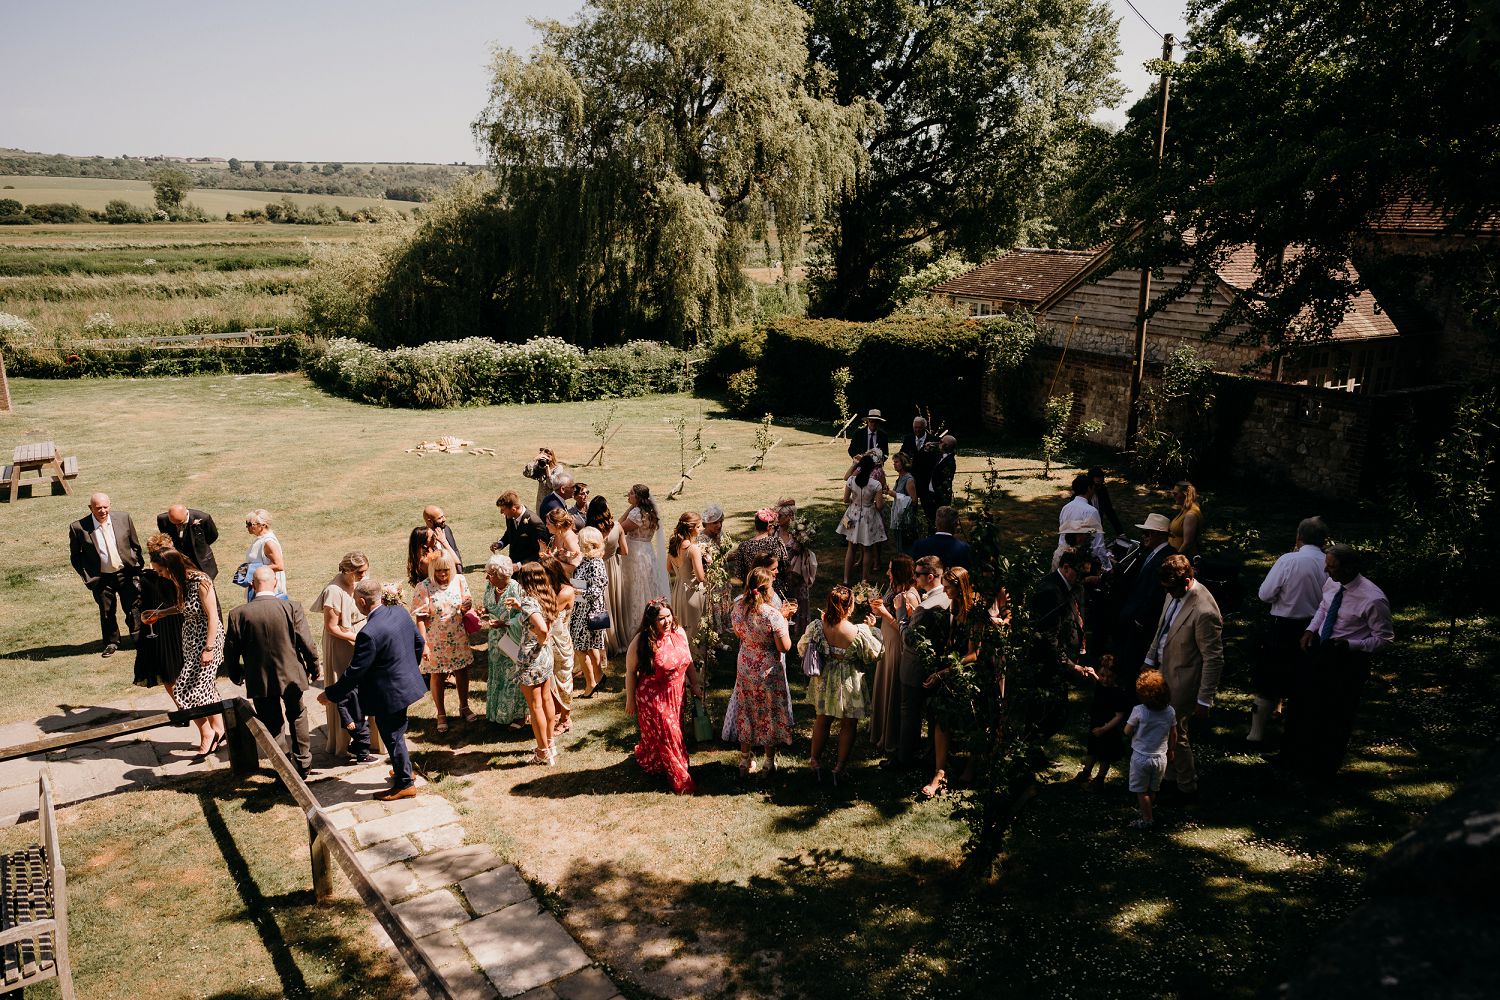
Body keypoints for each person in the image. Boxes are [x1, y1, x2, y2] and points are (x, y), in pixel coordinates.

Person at [1286, 544, 1394, 777]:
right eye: (1327, 565)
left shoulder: (1373, 599)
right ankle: (1295, 758)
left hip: (1348, 662)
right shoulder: (1333, 582)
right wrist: (1310, 629)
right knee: (1304, 704)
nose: (1327, 571)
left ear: (1350, 568)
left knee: (1336, 716)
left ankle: (1324, 770)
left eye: (1332, 567)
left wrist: (1352, 645)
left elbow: (1384, 639)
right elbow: (1324, 607)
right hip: (1322, 650)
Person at [319, 579, 428, 800]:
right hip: (406, 684)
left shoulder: (368, 633)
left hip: (389, 694)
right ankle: (402, 769)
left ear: (361, 601)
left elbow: (355, 672)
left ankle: (405, 783)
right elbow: (418, 643)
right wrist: (408, 670)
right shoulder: (398, 612)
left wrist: (330, 694)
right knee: (397, 731)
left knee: (392, 735)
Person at [224, 566, 320, 778]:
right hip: (291, 675)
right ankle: (304, 763)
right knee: (298, 715)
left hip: (260, 678)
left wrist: (235, 673)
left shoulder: (238, 614)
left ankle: (284, 767)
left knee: (272, 723)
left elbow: (230, 651)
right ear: (275, 582)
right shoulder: (291, 607)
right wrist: (314, 667)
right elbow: (306, 642)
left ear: (252, 585)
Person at [1142, 554, 1224, 801]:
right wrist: (1148, 662)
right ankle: (1170, 778)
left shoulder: (1204, 611)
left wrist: (1204, 699)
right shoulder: (1173, 592)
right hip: (1163, 670)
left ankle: (1187, 787)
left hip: (1184, 679)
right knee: (1164, 730)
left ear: (1188, 581)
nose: (1168, 593)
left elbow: (1214, 659)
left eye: (1172, 588)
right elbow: (1162, 629)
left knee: (1176, 734)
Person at [1249, 516, 1330, 744]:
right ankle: (1293, 732)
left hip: (1282, 626)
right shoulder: (1329, 563)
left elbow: (1265, 594)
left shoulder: (1289, 560)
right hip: (1314, 627)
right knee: (1301, 678)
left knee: (1268, 678)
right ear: (1324, 540)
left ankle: (1256, 733)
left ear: (1298, 537)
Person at [144, 547, 225, 756]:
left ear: (171, 567)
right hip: (190, 641)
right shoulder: (182, 581)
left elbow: (213, 617)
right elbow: (185, 607)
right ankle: (221, 729)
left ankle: (209, 732)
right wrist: (161, 613)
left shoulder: (201, 581)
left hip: (206, 639)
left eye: (160, 571)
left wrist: (208, 648)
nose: (160, 575)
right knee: (206, 687)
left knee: (184, 690)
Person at [800, 585, 883, 785]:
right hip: (849, 682)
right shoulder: (858, 631)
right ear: (851, 606)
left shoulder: (817, 626)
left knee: (822, 720)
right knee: (848, 724)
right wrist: (873, 629)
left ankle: (815, 763)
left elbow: (802, 647)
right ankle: (839, 768)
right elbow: (874, 654)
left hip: (825, 679)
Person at [625, 600, 704, 794]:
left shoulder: (679, 633)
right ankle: (680, 777)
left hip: (677, 695)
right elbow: (630, 671)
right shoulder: (642, 640)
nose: (667, 621)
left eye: (669, 616)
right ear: (651, 621)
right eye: (661, 618)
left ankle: (655, 760)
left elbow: (689, 661)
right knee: (670, 736)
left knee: (670, 733)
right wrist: (630, 699)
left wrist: (694, 684)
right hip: (654, 698)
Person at [311, 551, 380, 761]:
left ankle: (371, 739)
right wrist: (357, 638)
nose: (363, 576)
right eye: (360, 572)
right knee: (346, 689)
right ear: (347, 570)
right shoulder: (333, 591)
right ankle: (345, 741)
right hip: (341, 644)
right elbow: (331, 627)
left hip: (362, 635)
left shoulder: (361, 581)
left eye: (365, 571)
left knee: (370, 685)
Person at [918, 566, 980, 798]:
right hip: (950, 668)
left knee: (974, 720)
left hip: (969, 671)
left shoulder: (974, 612)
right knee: (941, 716)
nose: (944, 590)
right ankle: (939, 772)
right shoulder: (952, 606)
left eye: (948, 586)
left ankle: (972, 764)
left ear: (960, 586)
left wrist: (944, 672)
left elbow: (974, 654)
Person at [730, 567, 797, 776]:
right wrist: (784, 620)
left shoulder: (737, 607)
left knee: (746, 709)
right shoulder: (772, 615)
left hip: (745, 664)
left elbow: (738, 633)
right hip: (767, 669)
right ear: (767, 590)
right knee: (769, 711)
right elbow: (784, 647)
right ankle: (768, 761)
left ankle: (744, 760)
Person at [1031, 548, 1100, 738]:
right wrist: (1071, 666)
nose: (1084, 578)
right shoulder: (1051, 592)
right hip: (1047, 663)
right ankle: (1033, 751)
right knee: (1052, 713)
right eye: (1081, 573)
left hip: (1059, 660)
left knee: (1056, 713)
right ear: (1066, 567)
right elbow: (1048, 637)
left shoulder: (1070, 586)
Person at [69, 492, 143, 657]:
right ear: (91, 508)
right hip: (101, 577)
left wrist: (137, 567)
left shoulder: (124, 518)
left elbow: (135, 544)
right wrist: (88, 576)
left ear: (109, 505)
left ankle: (138, 637)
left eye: (105, 507)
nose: (102, 511)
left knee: (133, 607)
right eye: (98, 508)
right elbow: (75, 556)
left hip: (125, 573)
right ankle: (112, 642)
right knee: (107, 611)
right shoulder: (79, 527)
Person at [897, 555, 952, 768]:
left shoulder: (926, 607)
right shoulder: (947, 598)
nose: (914, 578)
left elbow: (908, 638)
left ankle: (904, 759)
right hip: (938, 666)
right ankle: (930, 756)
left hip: (915, 667)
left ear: (930, 577)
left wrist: (901, 612)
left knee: (909, 714)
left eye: (918, 575)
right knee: (933, 716)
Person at [411, 553, 474, 732]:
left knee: (461, 670)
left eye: (446, 570)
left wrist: (466, 607)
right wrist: (423, 644)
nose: (442, 574)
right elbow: (421, 619)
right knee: (437, 675)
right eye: (438, 571)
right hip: (435, 639)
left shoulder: (460, 580)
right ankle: (441, 714)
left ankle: (464, 706)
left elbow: (466, 603)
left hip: (457, 635)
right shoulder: (424, 587)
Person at [1114, 513, 1177, 689]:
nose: (1144, 537)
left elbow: (1155, 595)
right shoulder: (1150, 553)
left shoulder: (1166, 558)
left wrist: (1140, 620)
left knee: (1135, 663)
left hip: (1142, 623)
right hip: (1132, 616)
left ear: (1158, 534)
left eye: (1147, 533)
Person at [507, 562, 560, 765]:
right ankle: (551, 743)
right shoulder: (546, 597)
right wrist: (520, 606)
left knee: (534, 705)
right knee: (546, 700)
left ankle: (542, 751)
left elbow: (541, 628)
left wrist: (540, 638)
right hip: (545, 656)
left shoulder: (530, 601)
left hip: (531, 659)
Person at [868, 554, 917, 752]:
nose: (887, 572)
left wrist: (885, 615)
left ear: (899, 572)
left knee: (892, 686)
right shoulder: (893, 587)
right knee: (883, 682)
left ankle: (891, 736)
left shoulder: (910, 596)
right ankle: (880, 729)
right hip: (886, 640)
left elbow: (907, 630)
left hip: (897, 643)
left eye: (890, 569)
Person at [1123, 670, 1178, 830]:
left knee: (1141, 790)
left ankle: (1147, 819)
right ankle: (1147, 809)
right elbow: (1174, 733)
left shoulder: (1139, 710)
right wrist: (1171, 750)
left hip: (1141, 757)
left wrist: (1131, 730)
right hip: (1160, 758)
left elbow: (1127, 730)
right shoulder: (1170, 711)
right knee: (1153, 788)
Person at [618, 484, 670, 644]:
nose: (628, 494)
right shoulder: (650, 511)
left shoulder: (636, 513)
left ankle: (638, 628)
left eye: (632, 493)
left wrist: (631, 508)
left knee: (636, 586)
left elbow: (619, 527)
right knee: (647, 585)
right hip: (647, 550)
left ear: (638, 498)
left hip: (635, 553)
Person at [134, 533, 185, 695]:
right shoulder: (149, 576)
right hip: (160, 623)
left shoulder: (180, 571)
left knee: (171, 669)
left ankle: (184, 708)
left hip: (172, 622)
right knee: (168, 670)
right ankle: (184, 709)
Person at [1072, 654, 1132, 791]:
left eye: (1109, 677)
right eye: (1102, 675)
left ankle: (1100, 779)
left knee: (1105, 755)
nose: (1105, 679)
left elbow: (1119, 716)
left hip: (1107, 729)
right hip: (1096, 723)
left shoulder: (1117, 693)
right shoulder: (1102, 684)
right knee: (1092, 749)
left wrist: (1104, 729)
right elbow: (1101, 681)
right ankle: (1086, 772)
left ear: (1116, 676)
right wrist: (1093, 674)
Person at [480, 554, 528, 727]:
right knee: (497, 675)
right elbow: (488, 605)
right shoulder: (490, 587)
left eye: (490, 574)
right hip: (494, 641)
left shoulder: (516, 589)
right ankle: (498, 713)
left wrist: (505, 623)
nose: (487, 577)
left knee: (512, 677)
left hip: (512, 639)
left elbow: (526, 616)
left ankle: (519, 715)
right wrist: (483, 611)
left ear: (501, 575)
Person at [586, 495, 630, 658]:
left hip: (596, 570)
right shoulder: (617, 527)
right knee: (614, 603)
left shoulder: (588, 532)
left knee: (600, 605)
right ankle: (618, 640)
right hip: (613, 568)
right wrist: (612, 551)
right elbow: (625, 551)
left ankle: (603, 643)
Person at [541, 555, 578, 734]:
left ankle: (566, 718)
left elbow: (548, 613)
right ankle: (556, 712)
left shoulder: (566, 591)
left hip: (561, 642)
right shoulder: (547, 589)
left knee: (563, 680)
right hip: (547, 641)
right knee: (550, 679)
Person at [571, 528, 609, 697]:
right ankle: (599, 676)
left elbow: (595, 591)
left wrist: (575, 592)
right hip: (583, 608)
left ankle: (590, 684)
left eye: (580, 541)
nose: (578, 543)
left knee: (581, 648)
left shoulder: (595, 563)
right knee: (591, 645)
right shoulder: (587, 560)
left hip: (589, 611)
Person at [837, 455, 887, 584]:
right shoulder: (876, 484)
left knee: (851, 547)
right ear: (872, 468)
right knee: (867, 548)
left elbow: (845, 500)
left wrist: (854, 502)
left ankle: (846, 579)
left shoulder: (852, 480)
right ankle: (864, 579)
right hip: (868, 515)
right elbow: (880, 506)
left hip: (852, 514)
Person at [774, 498, 817, 640]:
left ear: (790, 517)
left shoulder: (799, 532)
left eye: (780, 516)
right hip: (780, 575)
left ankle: (800, 634)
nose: (777, 518)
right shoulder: (774, 531)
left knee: (798, 602)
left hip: (797, 575)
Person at [669, 513, 708, 656]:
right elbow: (700, 577)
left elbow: (668, 568)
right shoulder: (693, 549)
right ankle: (697, 673)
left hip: (678, 591)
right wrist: (707, 564)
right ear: (691, 529)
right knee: (695, 632)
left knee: (680, 630)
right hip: (693, 593)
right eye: (699, 526)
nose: (702, 529)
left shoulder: (674, 544)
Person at [156, 504, 219, 579]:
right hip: (178, 561)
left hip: (200, 560)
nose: (178, 526)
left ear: (187, 513)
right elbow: (166, 536)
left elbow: (212, 536)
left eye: (180, 523)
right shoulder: (162, 519)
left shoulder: (203, 518)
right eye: (174, 523)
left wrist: (199, 546)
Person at [728, 508, 787, 584]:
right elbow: (785, 566)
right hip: (774, 587)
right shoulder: (776, 542)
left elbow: (740, 574)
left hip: (754, 589)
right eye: (774, 526)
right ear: (769, 527)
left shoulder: (744, 546)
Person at [492, 491, 549, 565]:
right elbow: (510, 532)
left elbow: (541, 553)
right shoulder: (510, 516)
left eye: (503, 509)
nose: (501, 512)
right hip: (513, 565)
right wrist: (500, 543)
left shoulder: (535, 523)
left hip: (529, 569)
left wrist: (519, 565)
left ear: (513, 509)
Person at [243, 509, 287, 599]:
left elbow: (279, 565)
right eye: (246, 523)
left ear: (262, 525)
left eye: (250, 524)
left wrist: (254, 570)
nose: (247, 527)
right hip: (259, 586)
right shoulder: (260, 539)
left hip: (268, 591)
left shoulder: (269, 542)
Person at [887, 451, 922, 552]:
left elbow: (914, 501)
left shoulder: (909, 479)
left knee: (907, 545)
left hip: (907, 520)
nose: (894, 464)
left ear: (903, 463)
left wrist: (894, 494)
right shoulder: (900, 477)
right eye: (894, 462)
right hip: (899, 517)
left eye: (897, 462)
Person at [925, 435, 958, 526]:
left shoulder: (950, 462)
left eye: (941, 442)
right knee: (930, 521)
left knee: (940, 522)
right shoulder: (941, 455)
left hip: (939, 497)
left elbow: (944, 482)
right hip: (931, 494)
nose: (939, 443)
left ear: (946, 446)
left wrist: (935, 496)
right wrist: (928, 449)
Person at [523, 447, 566, 511]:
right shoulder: (540, 468)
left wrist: (548, 472)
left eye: (547, 456)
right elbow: (526, 474)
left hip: (553, 503)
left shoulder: (558, 468)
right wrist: (534, 460)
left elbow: (551, 485)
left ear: (552, 457)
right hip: (541, 502)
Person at [1169, 481, 1203, 561]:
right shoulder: (1185, 510)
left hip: (1182, 559)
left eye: (1176, 494)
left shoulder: (1191, 515)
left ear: (1185, 494)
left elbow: (1188, 543)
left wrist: (1175, 559)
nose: (1173, 496)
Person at [1088, 467, 1124, 537]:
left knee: (1096, 540)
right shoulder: (1082, 494)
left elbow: (1110, 511)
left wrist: (1120, 532)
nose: (1098, 487)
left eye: (1101, 484)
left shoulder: (1102, 490)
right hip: (1084, 526)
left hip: (1097, 523)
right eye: (1096, 485)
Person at [545, 507, 583, 572]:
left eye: (548, 524)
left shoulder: (570, 541)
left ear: (558, 526)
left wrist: (553, 562)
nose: (546, 526)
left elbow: (577, 568)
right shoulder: (557, 535)